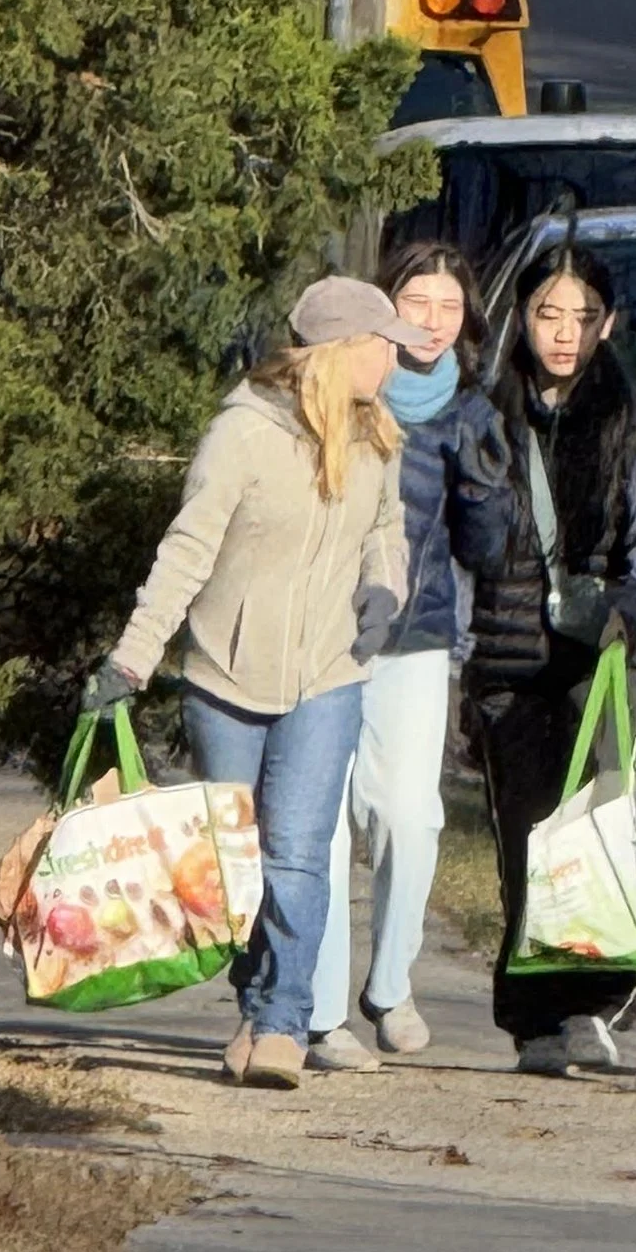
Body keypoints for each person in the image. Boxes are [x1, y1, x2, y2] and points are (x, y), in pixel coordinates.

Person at [80, 276, 407, 1091]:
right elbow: (187, 549)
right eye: (384, 342)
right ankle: (255, 998)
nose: (397, 357)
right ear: (339, 350)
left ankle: (282, 1022)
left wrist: (384, 590)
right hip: (227, 674)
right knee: (240, 862)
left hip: (329, 674)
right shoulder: (242, 434)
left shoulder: (377, 436)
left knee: (300, 853)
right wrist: (132, 657)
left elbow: (385, 529)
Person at [452, 238, 636, 1077]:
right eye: (550, 313)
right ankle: (532, 1019)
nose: (565, 331)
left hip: (603, 657)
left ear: (608, 324)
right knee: (527, 836)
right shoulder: (488, 413)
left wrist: (633, 607)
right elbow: (467, 542)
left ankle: (593, 1004)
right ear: (523, 317)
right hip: (510, 656)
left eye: (583, 316)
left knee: (599, 829)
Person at [306, 239, 499, 1070]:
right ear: (384, 308)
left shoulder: (472, 411)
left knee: (407, 814)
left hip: (417, 635)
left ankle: (391, 983)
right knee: (317, 822)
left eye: (449, 306)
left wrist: (483, 488)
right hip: (320, 633)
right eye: (416, 300)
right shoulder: (339, 393)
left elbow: (487, 551)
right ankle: (317, 1013)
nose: (430, 319)